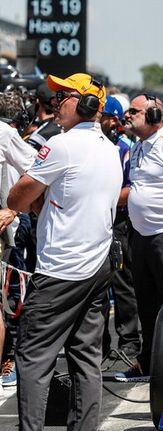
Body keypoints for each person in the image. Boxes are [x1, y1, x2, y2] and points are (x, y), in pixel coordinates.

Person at [1, 72, 121, 431]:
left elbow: (18, 196)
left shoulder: (62, 145)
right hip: (96, 265)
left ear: (86, 104)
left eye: (65, 96)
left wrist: (35, 199)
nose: (56, 102)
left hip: (61, 268)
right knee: (86, 358)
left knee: (33, 357)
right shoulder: (110, 147)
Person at [114, 94, 163, 382]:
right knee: (146, 304)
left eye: (134, 111)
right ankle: (147, 363)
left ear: (154, 116)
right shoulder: (137, 148)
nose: (128, 116)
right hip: (142, 235)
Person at [98, 96, 140, 359]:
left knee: (123, 282)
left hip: (119, 222)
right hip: (93, 220)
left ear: (112, 118)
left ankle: (129, 340)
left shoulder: (124, 148)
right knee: (96, 283)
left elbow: (131, 188)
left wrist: (105, 197)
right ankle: (98, 343)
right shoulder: (93, 146)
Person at [0, 91, 36, 393]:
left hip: (9, 227)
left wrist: (14, 209)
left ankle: (10, 359)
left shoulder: (6, 134)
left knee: (12, 291)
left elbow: (36, 168)